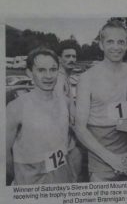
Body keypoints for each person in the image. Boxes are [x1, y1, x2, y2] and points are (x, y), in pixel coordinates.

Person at [75, 20, 127, 181]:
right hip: (102, 162)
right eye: (110, 42)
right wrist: (112, 160)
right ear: (101, 45)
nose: (116, 47)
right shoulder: (87, 78)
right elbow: (80, 128)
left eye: (121, 42)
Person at [6, 47, 77, 185]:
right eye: (41, 70)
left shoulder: (65, 102)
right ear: (30, 73)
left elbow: (71, 140)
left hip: (61, 178)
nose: (48, 76)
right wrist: (22, 178)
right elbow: (3, 155)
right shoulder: (16, 107)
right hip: (31, 183)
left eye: (53, 69)